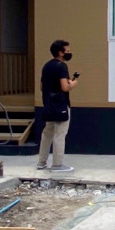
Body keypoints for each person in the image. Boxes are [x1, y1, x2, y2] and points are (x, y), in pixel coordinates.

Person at [37, 39, 78, 172]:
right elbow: (65, 87)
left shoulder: (46, 66)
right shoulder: (61, 67)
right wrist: (73, 83)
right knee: (60, 134)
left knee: (47, 133)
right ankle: (57, 164)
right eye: (67, 51)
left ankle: (41, 162)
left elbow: (42, 87)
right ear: (60, 53)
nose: (69, 53)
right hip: (61, 105)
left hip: (48, 104)